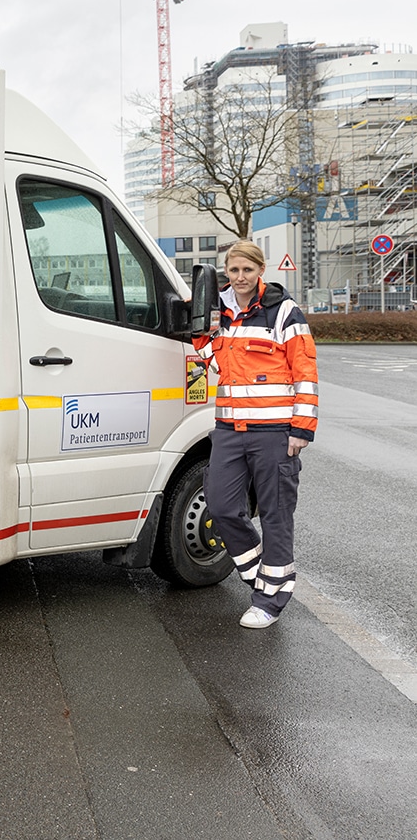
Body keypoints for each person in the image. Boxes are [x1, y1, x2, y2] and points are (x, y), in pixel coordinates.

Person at [194, 240, 318, 629]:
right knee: (221, 507)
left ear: (260, 270)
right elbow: (211, 356)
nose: (240, 277)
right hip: (229, 430)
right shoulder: (220, 311)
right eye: (233, 271)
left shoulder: (284, 312)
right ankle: (261, 573)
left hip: (275, 433)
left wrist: (301, 429)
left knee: (276, 515)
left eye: (247, 270)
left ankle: (270, 599)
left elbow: (306, 373)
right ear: (225, 272)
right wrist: (202, 330)